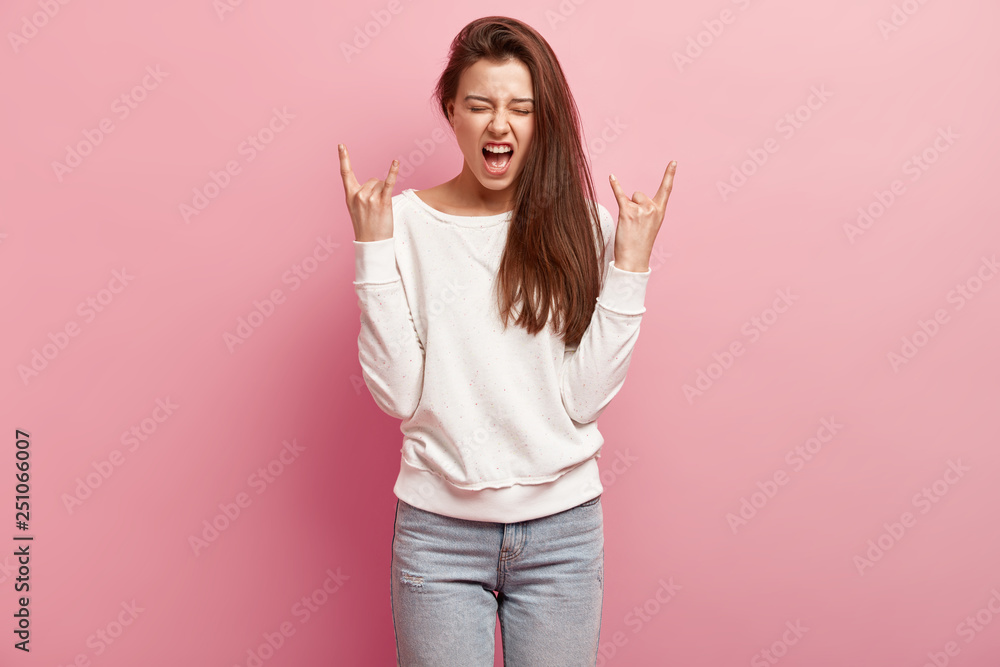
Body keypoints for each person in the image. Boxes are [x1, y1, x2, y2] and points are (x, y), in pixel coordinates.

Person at [338, 15, 676, 667]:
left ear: (542, 119)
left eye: (521, 107)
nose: (500, 124)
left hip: (564, 534)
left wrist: (630, 264)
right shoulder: (403, 222)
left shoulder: (582, 225)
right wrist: (372, 252)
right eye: (480, 105)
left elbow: (583, 401)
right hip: (437, 536)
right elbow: (400, 396)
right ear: (451, 110)